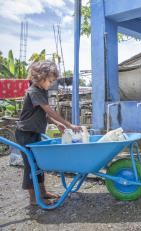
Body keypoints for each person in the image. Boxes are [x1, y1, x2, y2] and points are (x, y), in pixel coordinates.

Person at [15, 61, 81, 206]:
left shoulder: (42, 91)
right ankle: (34, 199)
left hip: (34, 133)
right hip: (25, 134)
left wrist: (57, 123)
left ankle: (43, 192)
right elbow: (49, 110)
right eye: (50, 81)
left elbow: (45, 114)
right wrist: (69, 124)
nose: (51, 84)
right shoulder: (33, 91)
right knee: (30, 166)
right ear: (40, 77)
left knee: (38, 164)